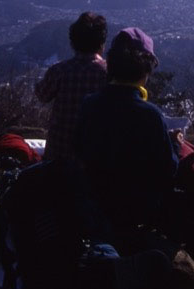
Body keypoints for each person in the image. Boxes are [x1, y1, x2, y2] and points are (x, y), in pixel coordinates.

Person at [77, 28, 178, 240]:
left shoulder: (89, 105)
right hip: (138, 212)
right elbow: (168, 169)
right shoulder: (150, 115)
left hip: (95, 205)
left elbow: (80, 152)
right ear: (145, 70)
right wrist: (175, 145)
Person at [35, 12, 108, 162]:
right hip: (95, 156)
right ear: (102, 43)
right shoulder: (110, 73)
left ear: (73, 43)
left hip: (58, 154)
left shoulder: (59, 71)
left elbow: (42, 95)